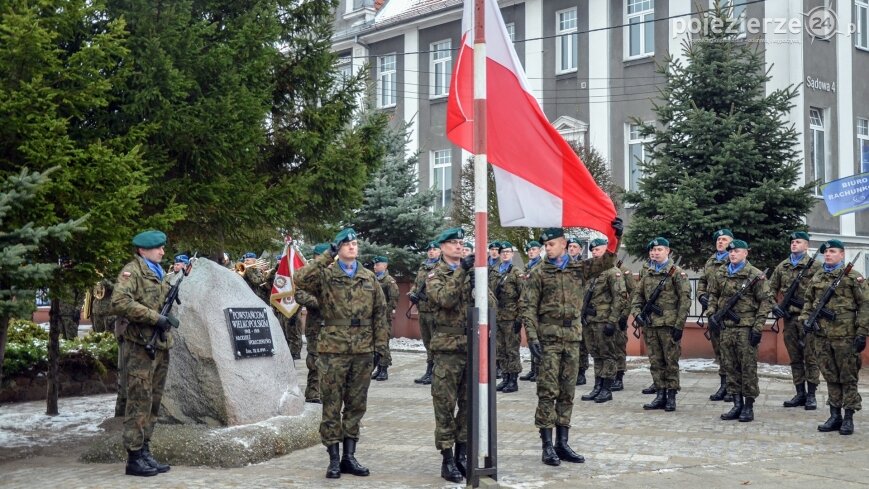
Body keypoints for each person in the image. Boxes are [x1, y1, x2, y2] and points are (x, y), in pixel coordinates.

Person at [519, 221, 622, 467]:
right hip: (549, 339)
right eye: (545, 245)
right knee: (547, 391)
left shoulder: (578, 268)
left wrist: (616, 236)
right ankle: (547, 445)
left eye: (551, 244)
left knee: (567, 391)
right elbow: (528, 307)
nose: (547, 248)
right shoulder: (539, 273)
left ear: (564, 244)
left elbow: (607, 261)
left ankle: (562, 443)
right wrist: (532, 337)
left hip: (572, 338)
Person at [294, 228, 389, 479]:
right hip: (332, 350)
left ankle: (349, 457)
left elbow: (380, 315)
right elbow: (300, 279)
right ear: (338, 248)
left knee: (356, 405)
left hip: (363, 350)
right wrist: (327, 255)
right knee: (331, 405)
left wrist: (381, 349)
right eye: (346, 244)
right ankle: (334, 459)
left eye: (355, 243)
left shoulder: (369, 278)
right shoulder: (326, 275)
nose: (352, 247)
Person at [111, 230, 175, 477]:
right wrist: (154, 318)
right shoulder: (132, 272)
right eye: (158, 248)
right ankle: (134, 456)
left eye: (162, 247)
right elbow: (120, 302)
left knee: (154, 402)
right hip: (140, 346)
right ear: (143, 250)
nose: (162, 251)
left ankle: (145, 450)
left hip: (159, 344)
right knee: (139, 401)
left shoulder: (158, 272)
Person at [425, 227, 484, 483]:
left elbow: (491, 305)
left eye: (461, 242)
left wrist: (480, 285)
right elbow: (445, 300)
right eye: (453, 243)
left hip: (471, 346)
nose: (459, 246)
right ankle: (447, 459)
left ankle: (462, 454)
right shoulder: (434, 275)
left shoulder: (472, 274)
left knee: (469, 405)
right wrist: (462, 272)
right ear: (442, 247)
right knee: (445, 405)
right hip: (447, 348)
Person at [798, 239, 867, 435]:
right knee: (830, 376)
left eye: (833, 251)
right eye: (826, 252)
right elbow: (808, 301)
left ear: (842, 254)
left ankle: (848, 417)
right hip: (822, 336)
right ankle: (834, 415)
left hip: (846, 337)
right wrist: (805, 319)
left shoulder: (853, 277)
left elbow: (865, 305)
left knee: (848, 377)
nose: (828, 255)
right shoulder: (818, 276)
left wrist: (862, 332)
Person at [705, 239, 772, 423]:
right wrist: (712, 314)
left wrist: (758, 327)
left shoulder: (755, 275)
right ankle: (736, 404)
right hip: (725, 327)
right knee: (730, 367)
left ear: (745, 253)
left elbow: (765, 302)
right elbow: (713, 295)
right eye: (731, 252)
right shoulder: (721, 272)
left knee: (747, 368)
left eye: (737, 251)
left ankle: (748, 406)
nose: (733, 254)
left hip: (746, 328)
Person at [630, 238, 690, 412]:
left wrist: (679, 325)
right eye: (653, 250)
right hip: (650, 325)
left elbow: (685, 301)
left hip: (669, 325)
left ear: (667, 251)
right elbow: (637, 297)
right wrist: (637, 314)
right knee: (655, 362)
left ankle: (671, 396)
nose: (655, 253)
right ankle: (660, 394)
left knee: (670, 362)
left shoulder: (676, 273)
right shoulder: (647, 274)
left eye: (659, 250)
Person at [769, 231, 822, 410]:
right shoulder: (782, 266)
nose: (794, 244)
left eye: (798, 242)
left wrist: (813, 312)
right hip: (789, 319)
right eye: (792, 242)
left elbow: (822, 292)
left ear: (806, 245)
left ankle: (811, 395)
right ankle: (800, 393)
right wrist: (774, 306)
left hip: (808, 320)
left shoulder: (815, 266)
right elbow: (769, 289)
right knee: (795, 358)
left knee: (811, 358)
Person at [579, 238, 629, 404]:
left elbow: (620, 298)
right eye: (593, 250)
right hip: (590, 320)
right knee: (596, 354)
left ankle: (607, 388)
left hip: (604, 320)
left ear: (606, 250)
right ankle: (597, 386)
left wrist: (612, 321)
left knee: (607, 355)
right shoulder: (591, 273)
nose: (595, 252)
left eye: (598, 249)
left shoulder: (613, 272)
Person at [697, 229, 735, 402]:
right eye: (718, 239)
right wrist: (701, 296)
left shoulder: (734, 259)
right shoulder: (711, 261)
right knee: (719, 351)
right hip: (713, 313)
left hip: (729, 314)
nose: (720, 242)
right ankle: (724, 385)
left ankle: (734, 387)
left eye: (724, 239)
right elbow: (702, 281)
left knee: (731, 352)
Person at [296, 243, 330, 404]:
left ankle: (325, 392)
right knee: (315, 360)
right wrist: (320, 302)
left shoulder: (334, 272)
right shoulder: (308, 273)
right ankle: (313, 393)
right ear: (316, 256)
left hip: (332, 325)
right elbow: (299, 295)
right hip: (315, 326)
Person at [492, 241, 523, 393]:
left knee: (512, 350)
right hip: (497, 316)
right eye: (503, 252)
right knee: (500, 349)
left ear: (512, 254)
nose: (505, 254)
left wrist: (519, 318)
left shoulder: (516, 272)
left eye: (508, 252)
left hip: (511, 317)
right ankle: (505, 377)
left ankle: (513, 380)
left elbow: (523, 296)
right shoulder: (494, 271)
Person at [410, 241, 441, 385]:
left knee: (436, 342)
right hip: (422, 310)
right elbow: (417, 284)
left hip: (434, 310)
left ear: (440, 251)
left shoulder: (441, 267)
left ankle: (436, 371)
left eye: (434, 249)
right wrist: (412, 293)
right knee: (427, 342)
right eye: (429, 250)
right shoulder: (423, 267)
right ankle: (429, 370)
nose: (431, 252)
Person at [371, 255, 399, 381]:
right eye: (374, 265)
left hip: (384, 318)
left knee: (383, 343)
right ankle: (378, 368)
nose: (375, 267)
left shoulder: (389, 280)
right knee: (376, 343)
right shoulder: (373, 279)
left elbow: (394, 299)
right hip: (373, 317)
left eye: (377, 265)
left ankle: (384, 369)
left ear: (385, 265)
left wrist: (385, 314)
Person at [519, 240, 543, 382]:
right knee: (531, 339)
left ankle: (539, 370)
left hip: (538, 309)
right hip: (528, 308)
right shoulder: (527, 267)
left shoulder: (542, 266)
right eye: (529, 250)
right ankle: (534, 369)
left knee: (538, 340)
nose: (531, 252)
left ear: (539, 250)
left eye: (534, 249)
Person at [566, 237, 589, 386]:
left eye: (575, 247)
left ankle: (581, 372)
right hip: (566, 309)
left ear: (580, 249)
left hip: (581, 308)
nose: (572, 249)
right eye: (570, 246)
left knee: (581, 343)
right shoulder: (564, 265)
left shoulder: (584, 266)